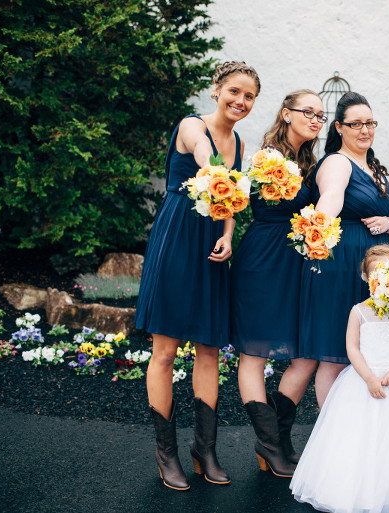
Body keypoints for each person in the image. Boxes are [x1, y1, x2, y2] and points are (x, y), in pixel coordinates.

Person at [136, 61, 260, 490]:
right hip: (178, 238)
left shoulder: (239, 143)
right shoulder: (193, 126)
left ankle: (204, 450)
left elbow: (231, 200)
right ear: (216, 89)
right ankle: (165, 452)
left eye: (249, 97)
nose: (240, 102)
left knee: (209, 349)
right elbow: (207, 161)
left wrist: (228, 234)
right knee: (166, 351)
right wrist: (215, 168)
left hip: (212, 245)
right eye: (234, 92)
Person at [291, 245, 389, 513]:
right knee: (361, 438)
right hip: (364, 383)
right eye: (377, 273)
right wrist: (368, 377)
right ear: (366, 278)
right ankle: (359, 490)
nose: (385, 278)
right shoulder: (358, 312)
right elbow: (352, 349)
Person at [230, 90, 325, 477]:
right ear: (286, 114)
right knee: (255, 353)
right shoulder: (268, 157)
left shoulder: (310, 161)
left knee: (307, 352)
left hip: (298, 262)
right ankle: (271, 444)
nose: (316, 119)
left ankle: (279, 439)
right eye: (308, 112)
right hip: (264, 259)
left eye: (321, 114)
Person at [298, 92, 389, 407]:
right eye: (355, 124)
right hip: (342, 263)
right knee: (336, 352)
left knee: (375, 348)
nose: (364, 130)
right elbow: (331, 197)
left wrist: (387, 224)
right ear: (339, 128)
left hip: (379, 267)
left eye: (369, 123)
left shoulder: (379, 170)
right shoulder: (337, 162)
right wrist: (317, 230)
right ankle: (330, 435)